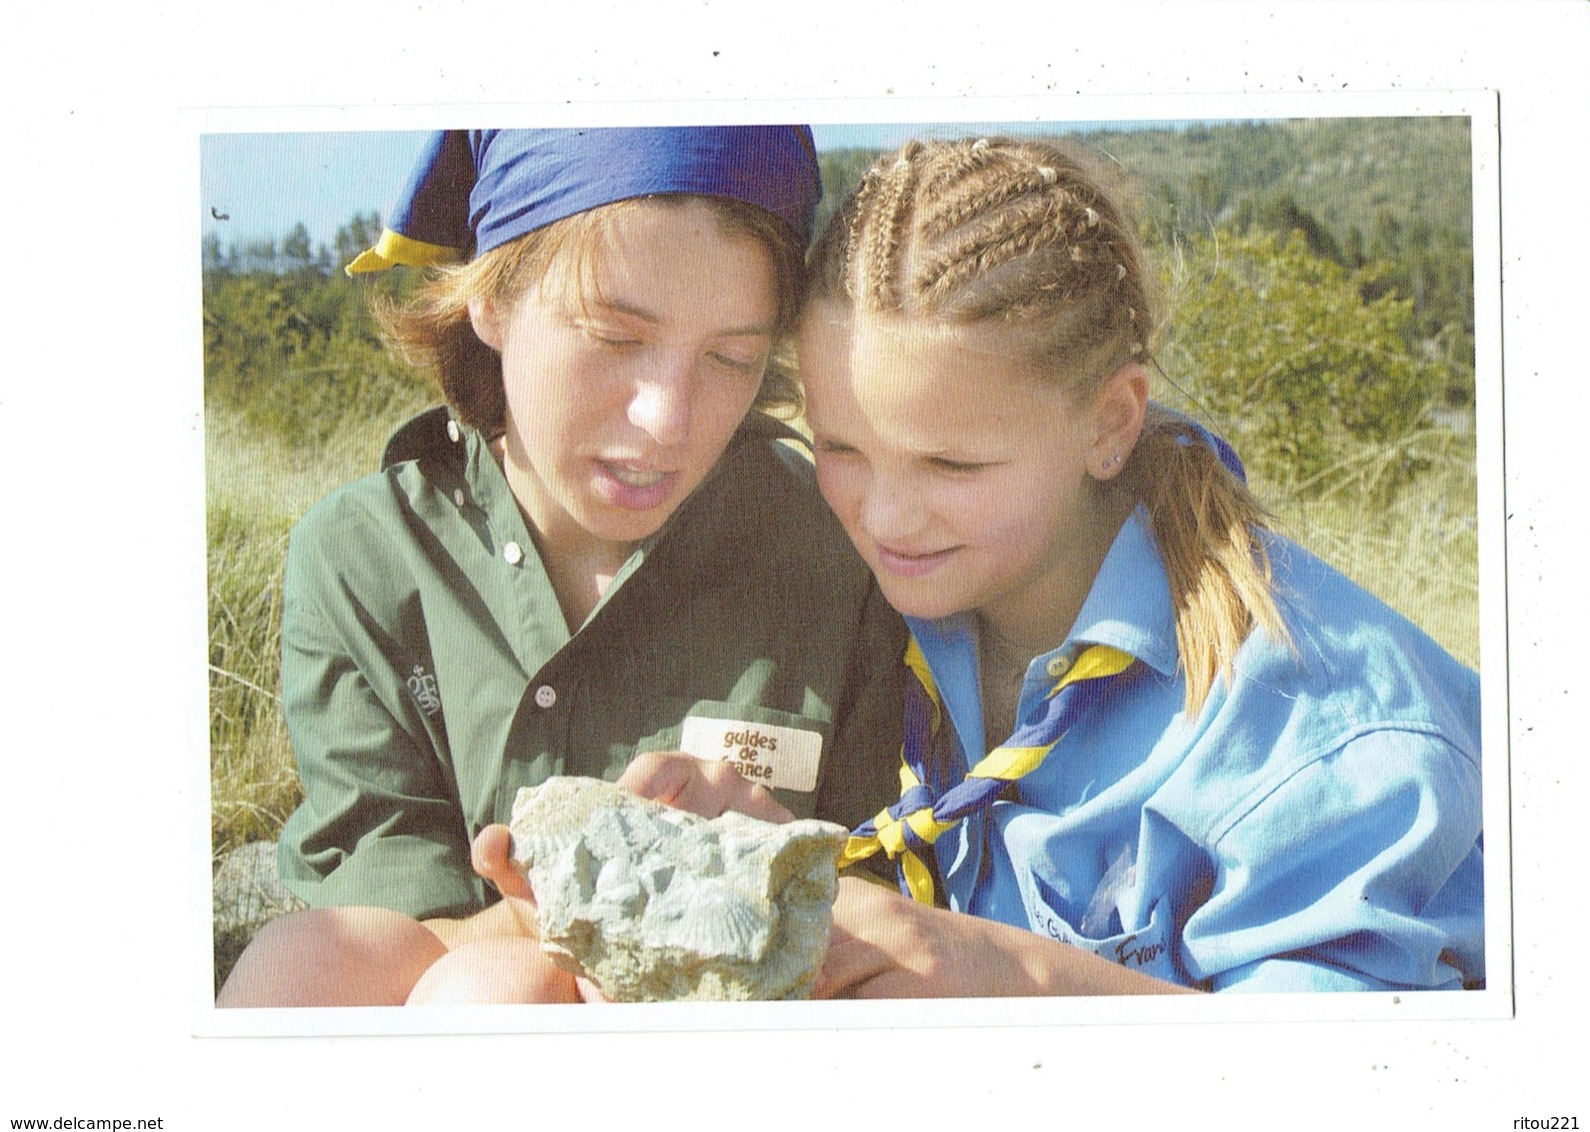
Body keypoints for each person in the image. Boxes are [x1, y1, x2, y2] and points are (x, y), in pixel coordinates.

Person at [217, 127, 904, 1007]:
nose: (667, 420)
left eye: (732, 358)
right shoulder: (365, 560)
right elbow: (376, 943)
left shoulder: (839, 551)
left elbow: (897, 904)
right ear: (493, 298)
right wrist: (624, 880)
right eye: (616, 337)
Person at [794, 136, 1484, 995]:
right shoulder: (896, 593)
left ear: (1112, 424)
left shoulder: (1312, 727)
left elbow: (1352, 1084)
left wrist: (1008, 977)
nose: (882, 516)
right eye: (840, 447)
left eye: (953, 466)